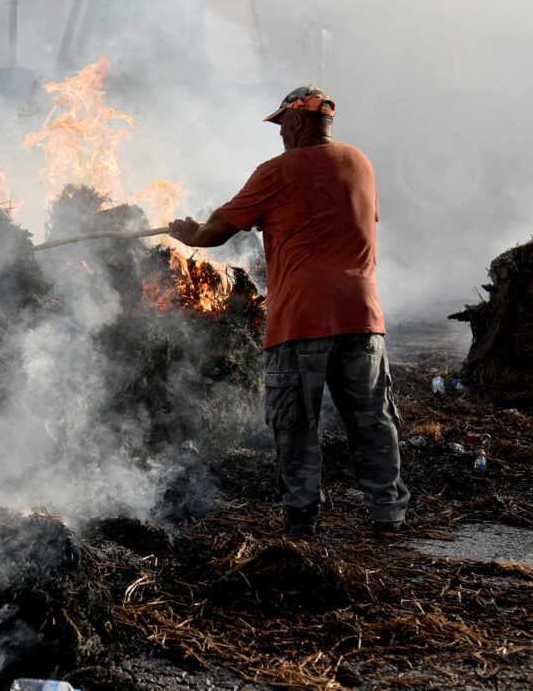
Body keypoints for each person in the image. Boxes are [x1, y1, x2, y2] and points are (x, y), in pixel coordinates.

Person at [168, 85, 409, 535]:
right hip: (362, 316)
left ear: (296, 122)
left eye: (281, 125)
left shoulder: (276, 171)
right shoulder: (362, 164)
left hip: (300, 319)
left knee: (295, 421)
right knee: (372, 419)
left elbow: (215, 233)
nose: (280, 135)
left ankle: (301, 518)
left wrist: (189, 233)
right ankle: (388, 513)